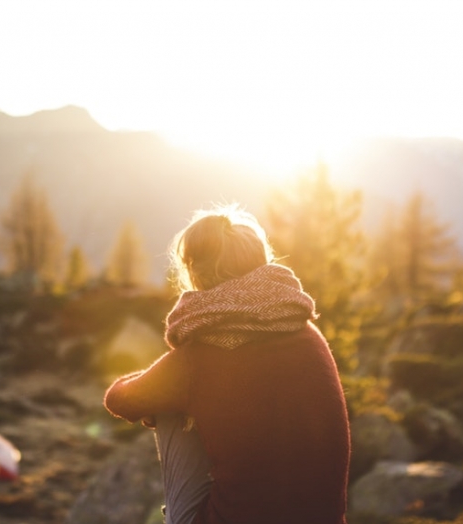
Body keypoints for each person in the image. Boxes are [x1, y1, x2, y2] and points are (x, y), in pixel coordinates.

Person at [103, 205, 351, 524]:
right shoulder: (307, 332)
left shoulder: (199, 356)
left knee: (170, 406)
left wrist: (163, 384)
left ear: (194, 271)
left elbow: (120, 399)